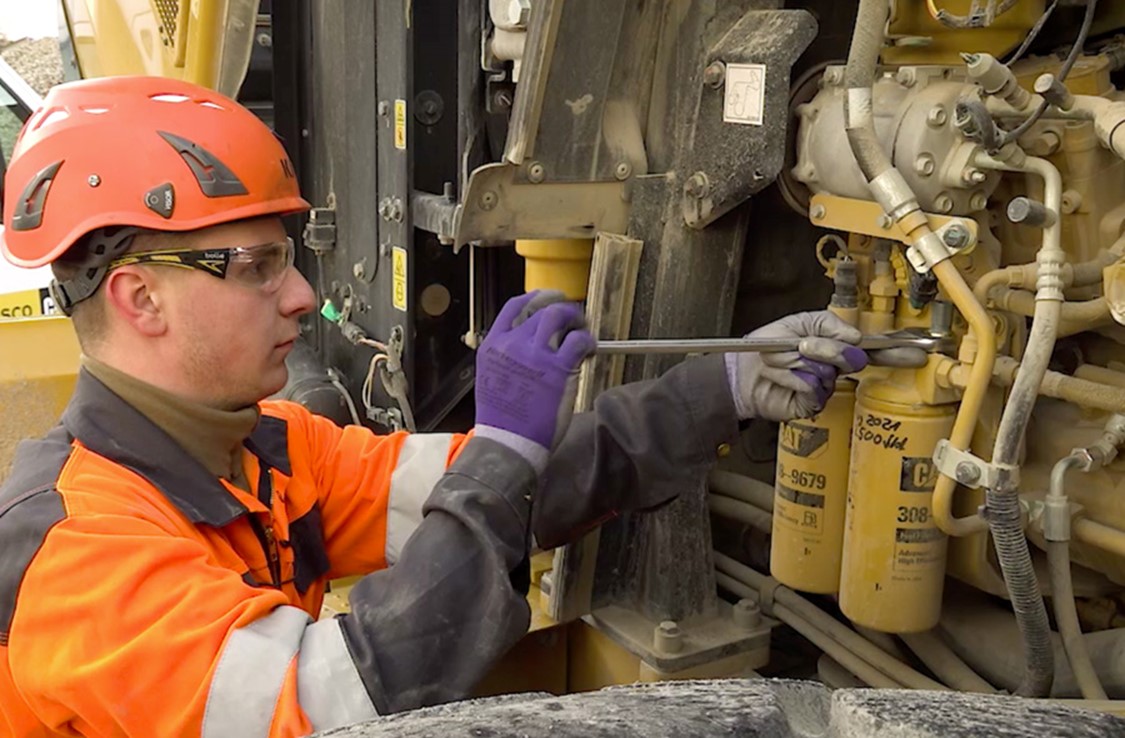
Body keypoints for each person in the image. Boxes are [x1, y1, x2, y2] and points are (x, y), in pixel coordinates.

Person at [0, 76, 915, 737]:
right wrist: (506, 445)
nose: (297, 298)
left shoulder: (269, 450)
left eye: (289, 257)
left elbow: (518, 487)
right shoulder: (77, 557)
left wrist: (719, 388)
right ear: (137, 299)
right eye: (256, 266)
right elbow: (338, 707)